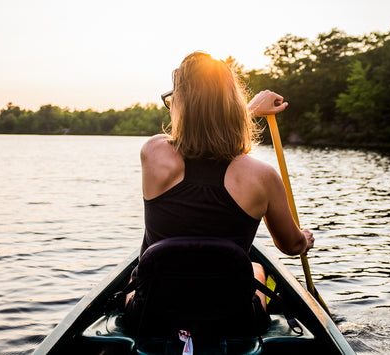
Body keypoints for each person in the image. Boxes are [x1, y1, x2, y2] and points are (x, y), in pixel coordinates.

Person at [133, 51, 314, 314]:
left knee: (134, 278)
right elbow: (292, 246)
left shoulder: (153, 152)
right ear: (233, 107)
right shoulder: (263, 176)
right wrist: (304, 240)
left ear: (181, 106)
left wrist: (249, 110)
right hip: (232, 316)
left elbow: (197, 133)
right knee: (256, 268)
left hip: (154, 313)